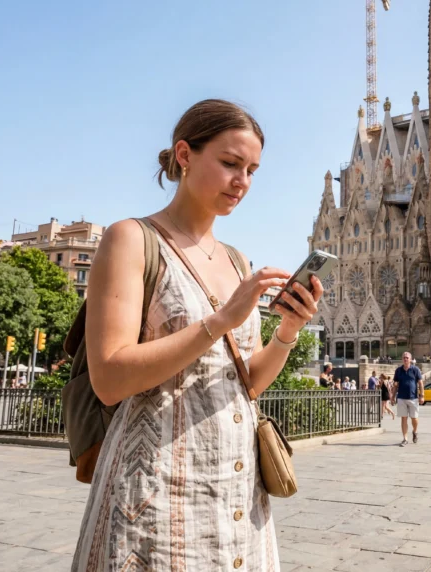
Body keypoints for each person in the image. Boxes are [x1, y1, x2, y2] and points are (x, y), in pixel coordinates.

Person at [73, 100, 323, 570]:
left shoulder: (236, 260)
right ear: (184, 156)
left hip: (237, 491)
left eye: (251, 170)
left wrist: (288, 331)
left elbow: (242, 383)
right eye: (230, 163)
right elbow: (109, 376)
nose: (242, 182)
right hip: (156, 487)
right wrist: (221, 320)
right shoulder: (132, 239)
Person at [394, 351, 424, 447]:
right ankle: (405, 438)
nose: (405, 359)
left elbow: (420, 383)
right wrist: (392, 395)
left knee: (414, 418)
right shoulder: (398, 371)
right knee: (403, 418)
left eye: (407, 357)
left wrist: (422, 395)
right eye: (404, 357)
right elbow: (395, 385)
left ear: (410, 359)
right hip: (401, 397)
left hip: (413, 398)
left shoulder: (415, 370)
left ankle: (415, 432)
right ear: (402, 359)